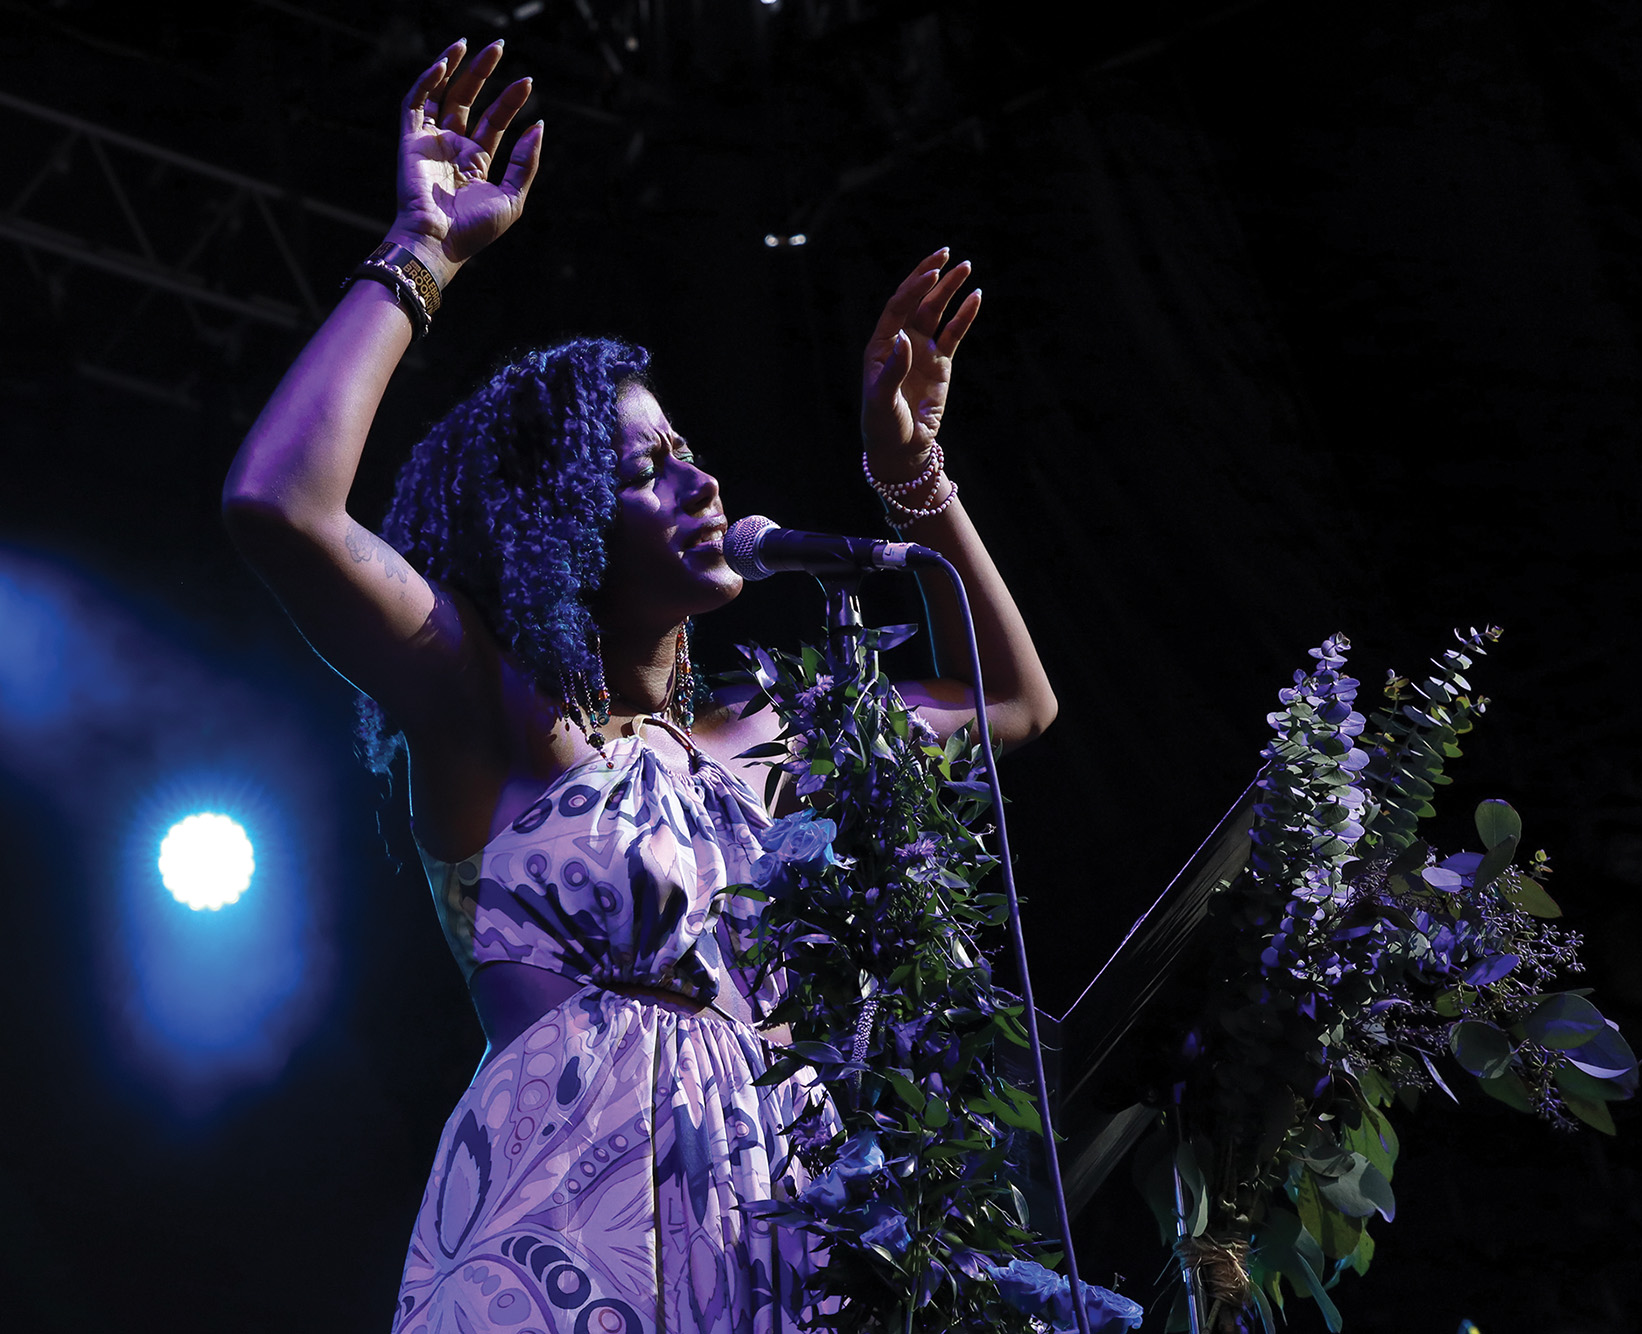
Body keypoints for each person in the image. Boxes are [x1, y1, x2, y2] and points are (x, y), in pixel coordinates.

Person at [220, 37, 1057, 1334]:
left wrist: (915, 481)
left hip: (768, 1225)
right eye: (647, 466)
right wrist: (421, 256)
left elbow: (1014, 702)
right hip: (563, 1238)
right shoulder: (499, 716)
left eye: (691, 452)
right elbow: (280, 504)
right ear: (559, 523)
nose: (701, 481)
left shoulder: (761, 743)